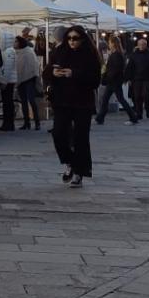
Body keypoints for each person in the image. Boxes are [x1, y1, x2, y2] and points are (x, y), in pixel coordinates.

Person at [47, 25, 101, 187]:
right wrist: (53, 73)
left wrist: (74, 74)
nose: (72, 41)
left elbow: (95, 80)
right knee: (58, 133)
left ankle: (79, 172)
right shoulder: (59, 51)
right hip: (62, 100)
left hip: (82, 102)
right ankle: (70, 161)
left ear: (82, 39)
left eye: (75, 38)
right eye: (69, 38)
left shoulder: (90, 55)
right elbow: (47, 71)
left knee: (80, 138)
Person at [96, 36, 139, 126]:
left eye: (110, 42)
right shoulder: (116, 54)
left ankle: (133, 117)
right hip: (113, 81)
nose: (109, 44)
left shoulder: (117, 55)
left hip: (114, 81)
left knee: (119, 99)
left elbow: (115, 69)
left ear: (113, 43)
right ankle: (100, 118)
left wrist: (107, 77)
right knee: (106, 99)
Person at [124, 38, 149, 120]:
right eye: (140, 44)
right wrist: (128, 78)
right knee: (137, 96)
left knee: (145, 95)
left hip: (147, 78)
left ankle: (147, 110)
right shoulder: (134, 55)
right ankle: (139, 113)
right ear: (138, 45)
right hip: (136, 79)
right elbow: (130, 67)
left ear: (146, 45)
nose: (142, 46)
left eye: (143, 44)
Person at [14, 35, 42, 130]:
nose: (14, 43)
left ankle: (37, 122)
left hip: (29, 79)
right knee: (24, 102)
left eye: (16, 42)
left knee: (31, 100)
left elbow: (34, 66)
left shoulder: (28, 51)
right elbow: (18, 67)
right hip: (21, 80)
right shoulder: (17, 53)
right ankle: (27, 122)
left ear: (20, 43)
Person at [0, 32, 19, 131]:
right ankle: (8, 123)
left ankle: (9, 123)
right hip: (9, 80)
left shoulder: (9, 51)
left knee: (7, 103)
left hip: (8, 81)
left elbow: (7, 68)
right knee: (7, 102)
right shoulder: (8, 51)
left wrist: (3, 81)